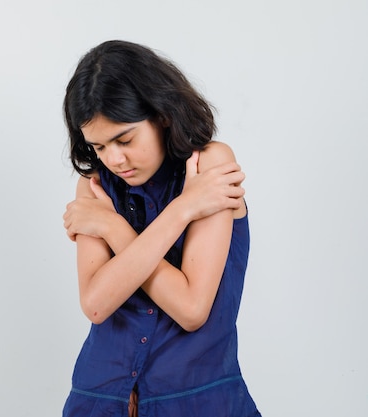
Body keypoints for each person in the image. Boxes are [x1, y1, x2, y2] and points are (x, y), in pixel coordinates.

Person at [61, 40, 261, 417]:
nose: (114, 159)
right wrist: (185, 209)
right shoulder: (94, 185)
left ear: (163, 115)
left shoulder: (210, 165)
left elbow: (191, 308)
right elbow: (97, 304)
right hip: (100, 397)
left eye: (125, 139)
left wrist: (114, 227)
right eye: (99, 147)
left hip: (198, 400)